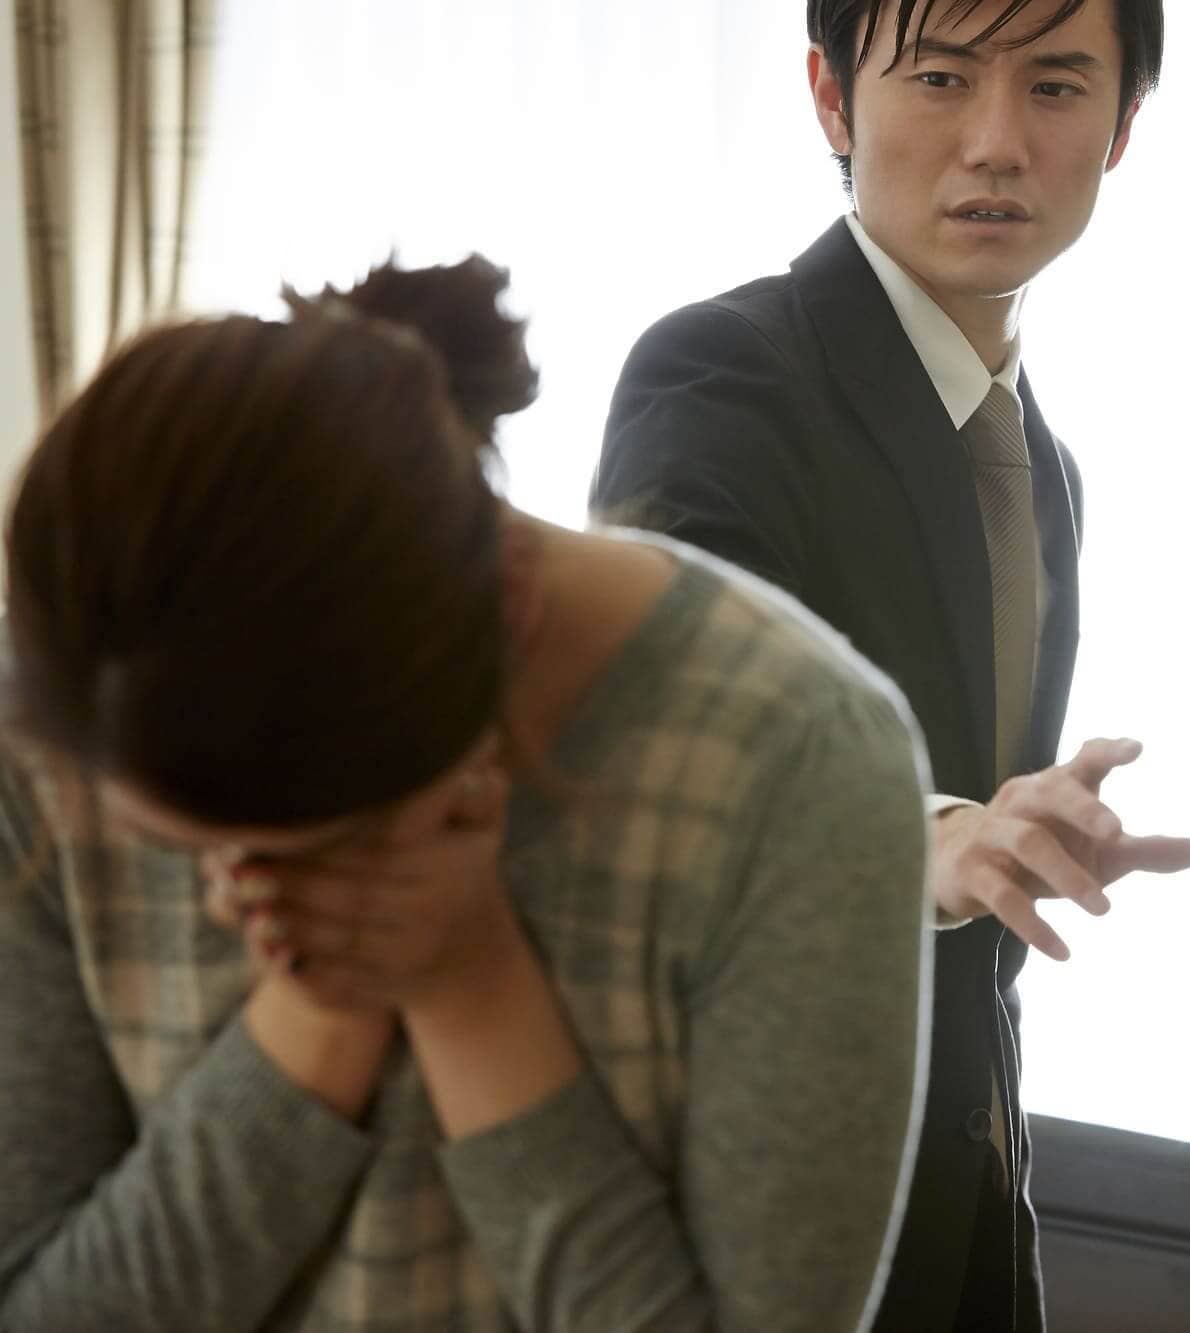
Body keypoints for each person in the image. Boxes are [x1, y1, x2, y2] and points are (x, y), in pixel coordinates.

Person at [0, 256, 931, 1332]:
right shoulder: (65, 716)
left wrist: (468, 981)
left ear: (504, 627)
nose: (222, 896)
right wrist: (319, 1010)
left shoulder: (799, 761)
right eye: (180, 845)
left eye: (293, 851)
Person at [591, 2, 1190, 1327]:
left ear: (1122, 126)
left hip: (959, 1212)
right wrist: (925, 840)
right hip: (741, 1227)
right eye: (938, 77)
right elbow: (663, 752)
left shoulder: (1046, 468)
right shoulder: (723, 372)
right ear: (831, 97)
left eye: (1055, 87)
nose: (995, 142)